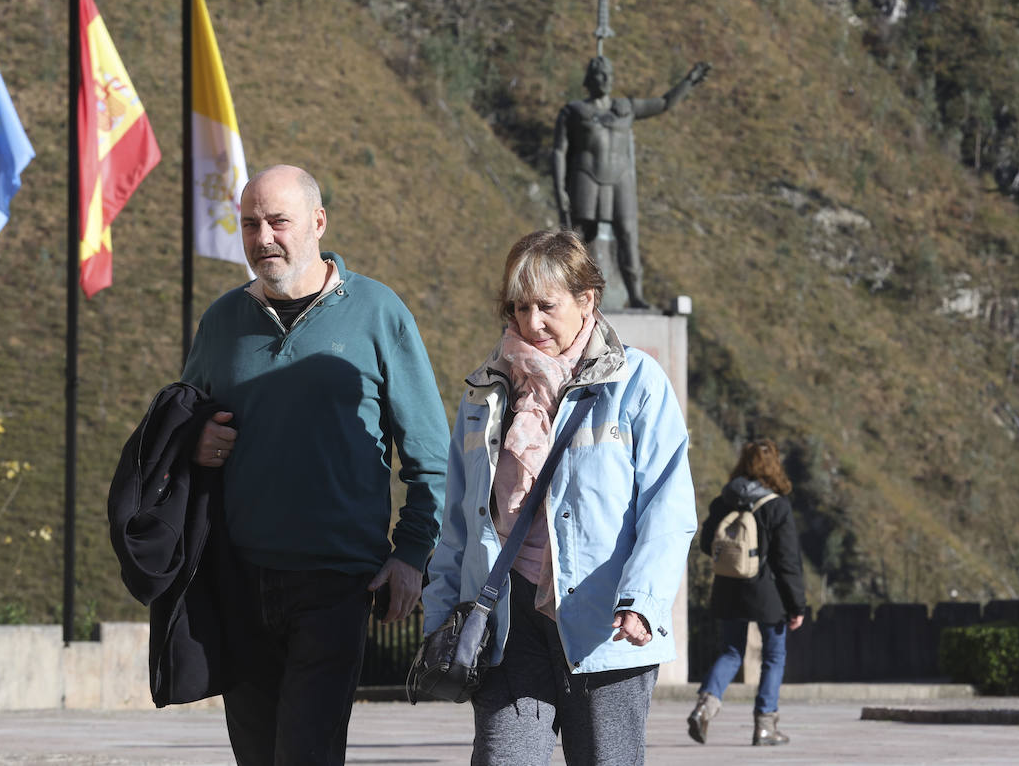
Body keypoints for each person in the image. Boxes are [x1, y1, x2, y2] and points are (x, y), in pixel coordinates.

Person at [182, 164, 450, 765]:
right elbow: (181, 424)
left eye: (278, 221)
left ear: (319, 222)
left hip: (335, 580)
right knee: (257, 755)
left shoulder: (379, 312)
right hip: (239, 578)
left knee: (305, 753)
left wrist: (410, 554)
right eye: (250, 224)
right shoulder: (222, 322)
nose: (263, 237)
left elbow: (431, 456)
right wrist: (194, 442)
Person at [423, 228, 695, 766]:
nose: (531, 323)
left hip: (604, 626)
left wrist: (643, 601)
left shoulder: (637, 381)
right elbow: (457, 517)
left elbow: (668, 506)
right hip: (506, 620)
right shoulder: (485, 391)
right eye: (519, 307)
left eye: (546, 306)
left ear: (586, 300)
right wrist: (440, 614)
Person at [552, 56, 710, 309]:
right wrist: (559, 189)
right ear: (588, 79)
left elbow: (664, 103)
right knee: (578, 238)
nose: (604, 79)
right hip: (586, 177)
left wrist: (689, 81)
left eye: (608, 74)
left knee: (627, 234)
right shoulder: (573, 112)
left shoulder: (625, 107)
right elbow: (559, 151)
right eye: (599, 74)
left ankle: (636, 295)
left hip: (620, 180)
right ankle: (572, 292)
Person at [689, 439, 808, 747]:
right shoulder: (777, 506)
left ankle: (705, 706)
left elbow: (706, 545)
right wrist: (797, 605)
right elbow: (788, 561)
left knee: (731, 651)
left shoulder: (723, 500)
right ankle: (765, 725)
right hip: (769, 593)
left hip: (729, 588)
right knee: (773, 656)